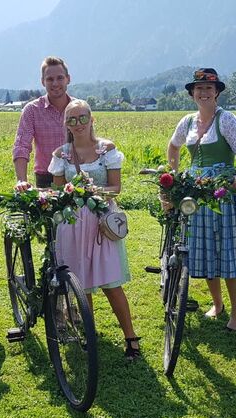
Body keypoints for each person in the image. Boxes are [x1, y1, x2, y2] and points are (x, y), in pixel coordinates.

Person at [47, 99, 140, 359]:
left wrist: (91, 190)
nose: (78, 124)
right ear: (66, 123)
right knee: (81, 282)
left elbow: (116, 188)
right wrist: (67, 192)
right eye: (72, 119)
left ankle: (130, 337)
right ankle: (89, 332)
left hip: (101, 222)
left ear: (92, 119)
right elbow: (57, 190)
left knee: (111, 283)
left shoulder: (106, 148)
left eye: (82, 118)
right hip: (72, 223)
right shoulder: (61, 154)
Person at [167, 68, 236, 332]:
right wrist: (174, 174)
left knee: (228, 254)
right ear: (192, 94)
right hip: (197, 196)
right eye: (198, 88)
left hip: (223, 194)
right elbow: (173, 147)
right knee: (205, 251)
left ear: (217, 92)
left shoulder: (227, 120)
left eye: (208, 88)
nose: (203, 93)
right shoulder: (187, 122)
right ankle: (217, 304)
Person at [13, 56, 112, 189]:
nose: (55, 83)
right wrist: (21, 181)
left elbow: (90, 140)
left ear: (68, 79)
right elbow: (21, 146)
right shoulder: (32, 110)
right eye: (50, 79)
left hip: (78, 173)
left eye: (60, 78)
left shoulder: (79, 108)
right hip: (47, 177)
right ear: (43, 82)